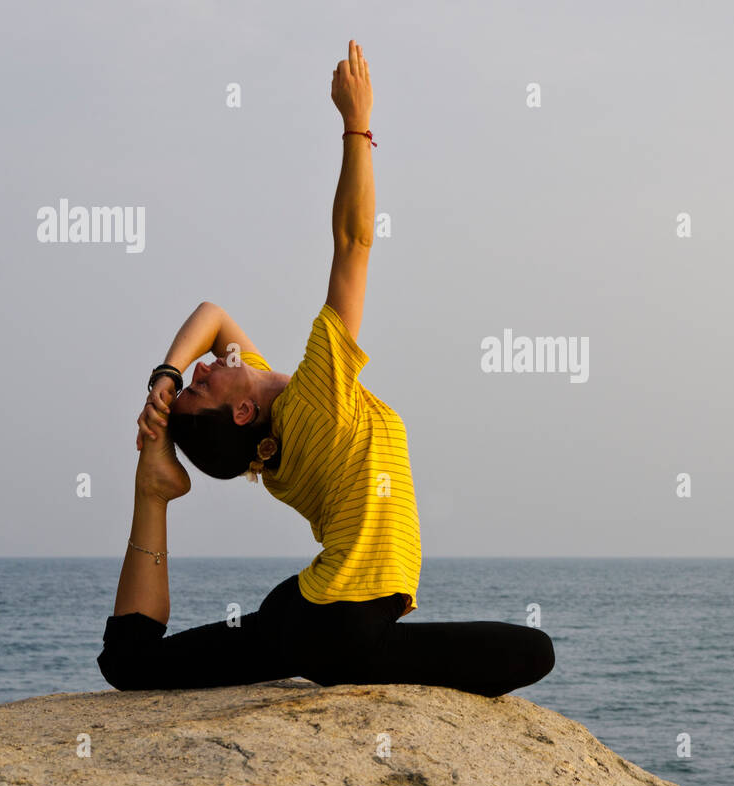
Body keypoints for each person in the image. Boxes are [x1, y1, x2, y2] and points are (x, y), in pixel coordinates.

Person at [97, 40, 554, 699]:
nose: (203, 365)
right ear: (243, 409)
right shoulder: (316, 396)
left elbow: (214, 314)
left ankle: (152, 492)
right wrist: (357, 123)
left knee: (139, 669)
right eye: (203, 384)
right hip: (338, 624)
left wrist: (164, 380)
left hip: (314, 616)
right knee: (530, 652)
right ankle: (153, 490)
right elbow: (354, 242)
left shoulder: (275, 429)